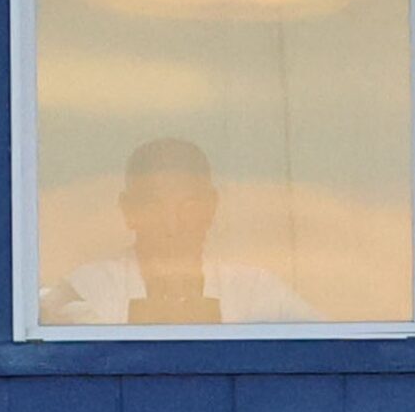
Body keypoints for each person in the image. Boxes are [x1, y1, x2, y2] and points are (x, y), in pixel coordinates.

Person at [40, 138, 322, 326]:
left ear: (211, 207)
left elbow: (325, 348)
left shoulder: (256, 291)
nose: (172, 224)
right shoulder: (90, 288)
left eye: (188, 206)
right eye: (154, 205)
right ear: (129, 210)